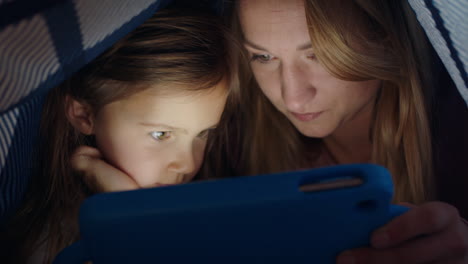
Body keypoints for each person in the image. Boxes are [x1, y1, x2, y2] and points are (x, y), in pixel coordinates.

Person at [205, 0, 468, 263]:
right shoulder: (226, 144)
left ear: (386, 40)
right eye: (264, 57)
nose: (292, 97)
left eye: (319, 54)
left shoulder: (456, 128)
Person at [1, 5, 235, 264]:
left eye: (202, 134)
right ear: (84, 116)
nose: (188, 163)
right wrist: (125, 213)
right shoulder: (51, 240)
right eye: (160, 134)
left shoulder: (209, 209)